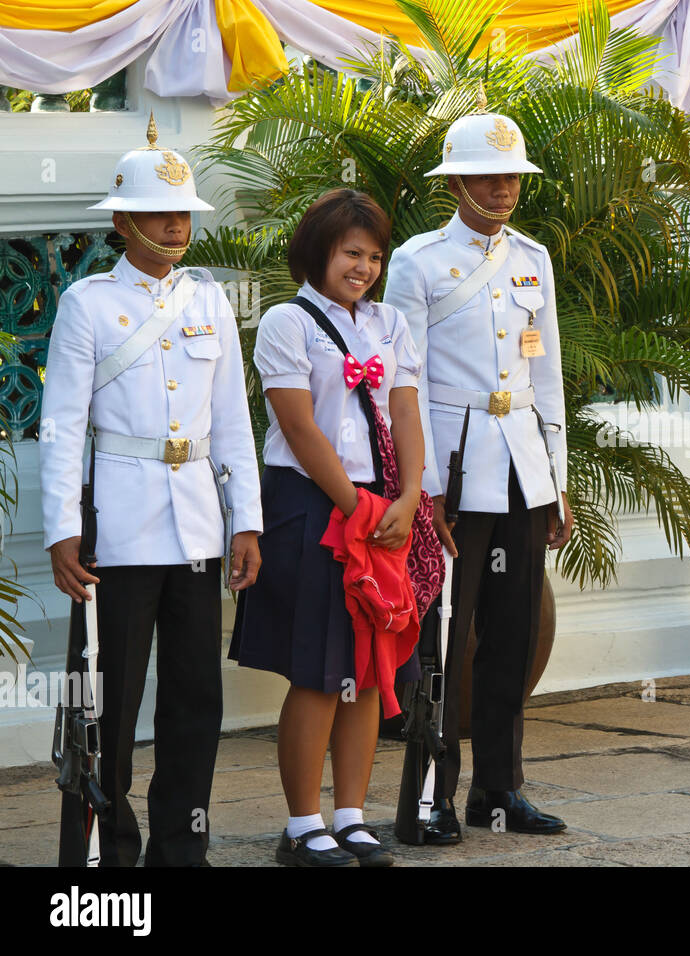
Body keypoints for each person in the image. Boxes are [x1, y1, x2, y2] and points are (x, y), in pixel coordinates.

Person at [40, 114, 263, 866]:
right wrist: (61, 529)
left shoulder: (208, 302)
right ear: (126, 221)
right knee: (104, 700)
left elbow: (232, 421)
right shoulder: (88, 303)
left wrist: (246, 523)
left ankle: (182, 844)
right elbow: (63, 426)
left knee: (195, 700)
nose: (176, 226)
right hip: (119, 530)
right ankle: (98, 850)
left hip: (197, 528)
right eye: (161, 214)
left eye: (184, 215)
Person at [384, 92, 573, 842]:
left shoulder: (534, 259)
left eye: (511, 176)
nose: (503, 188)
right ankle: (429, 795)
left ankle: (499, 793)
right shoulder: (416, 262)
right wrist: (421, 489)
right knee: (441, 639)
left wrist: (557, 482)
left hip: (523, 470)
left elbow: (549, 375)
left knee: (512, 636)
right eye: (487, 177)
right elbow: (407, 381)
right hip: (454, 477)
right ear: (454, 184)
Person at [229, 188, 429, 867]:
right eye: (351, 253)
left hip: (380, 508)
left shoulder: (391, 324)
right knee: (318, 671)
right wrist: (357, 506)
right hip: (312, 507)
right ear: (319, 249)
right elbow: (297, 425)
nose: (364, 268)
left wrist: (406, 498)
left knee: (368, 670)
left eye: (374, 256)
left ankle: (351, 815)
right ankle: (301, 824)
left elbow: (406, 412)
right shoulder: (289, 323)